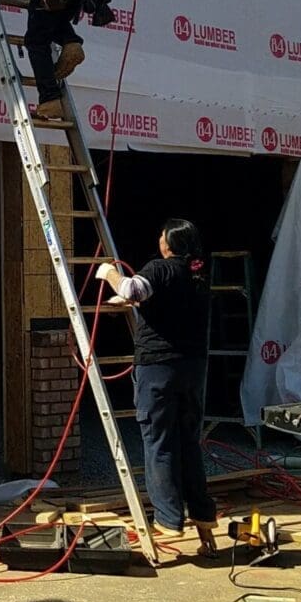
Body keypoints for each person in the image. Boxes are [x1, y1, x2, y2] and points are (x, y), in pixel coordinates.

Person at [95, 219, 217, 557]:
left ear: (170, 243)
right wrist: (135, 302)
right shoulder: (198, 272)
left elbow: (133, 289)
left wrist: (109, 274)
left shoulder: (160, 268)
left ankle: (167, 518)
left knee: (159, 441)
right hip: (192, 368)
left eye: (162, 234)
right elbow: (161, 301)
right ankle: (203, 516)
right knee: (188, 442)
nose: (158, 238)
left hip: (158, 368)